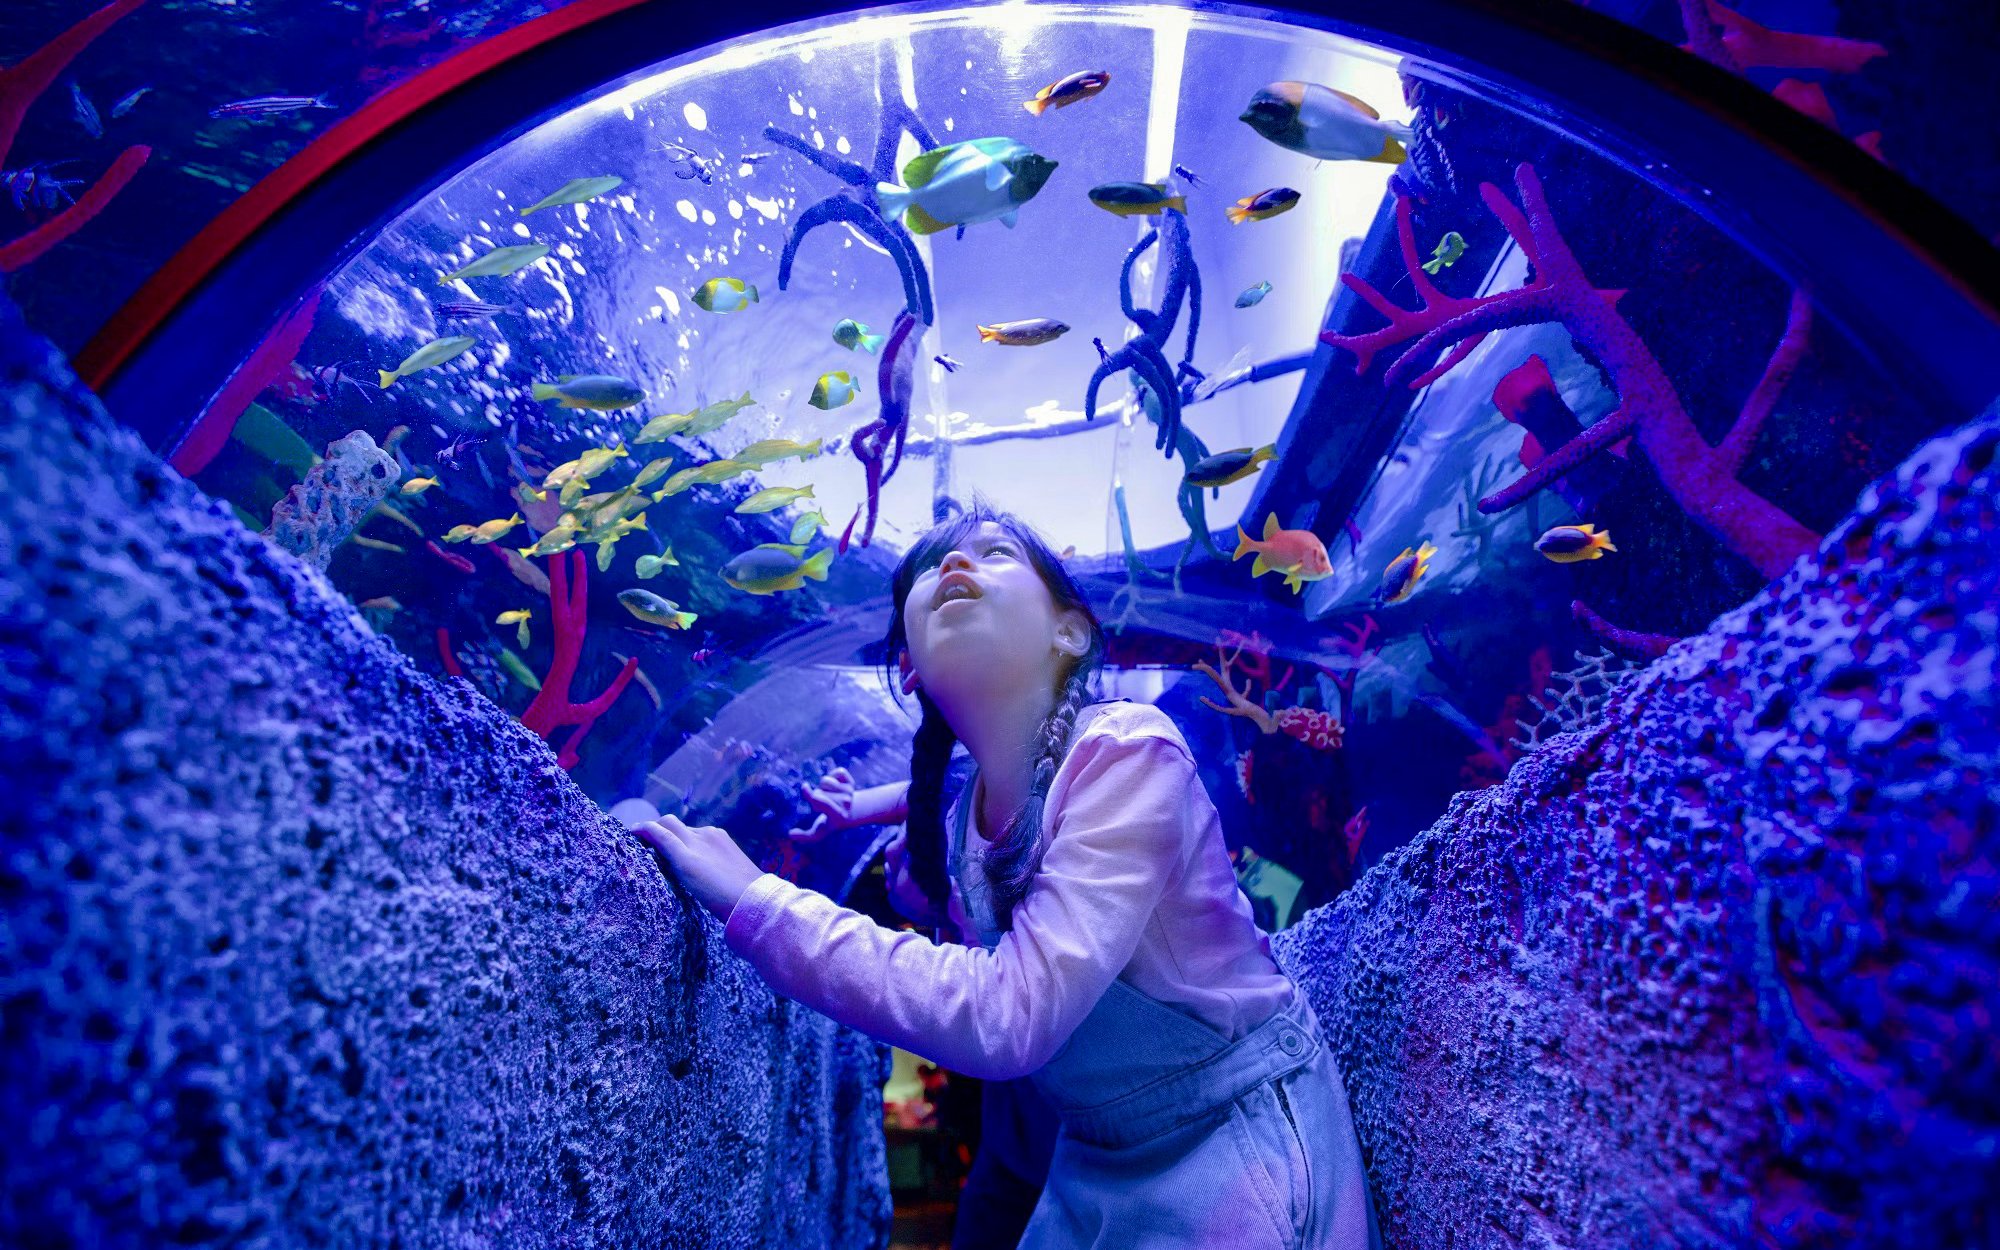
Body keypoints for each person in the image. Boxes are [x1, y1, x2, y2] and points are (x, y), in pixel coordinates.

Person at [636, 505, 1380, 1249]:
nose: (954, 567)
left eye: (994, 553)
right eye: (930, 568)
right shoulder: (964, 826)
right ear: (910, 667)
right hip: (1093, 1154)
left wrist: (757, 900)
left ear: (1071, 632)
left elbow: (1009, 1014)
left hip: (1231, 1138)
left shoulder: (1127, 751)